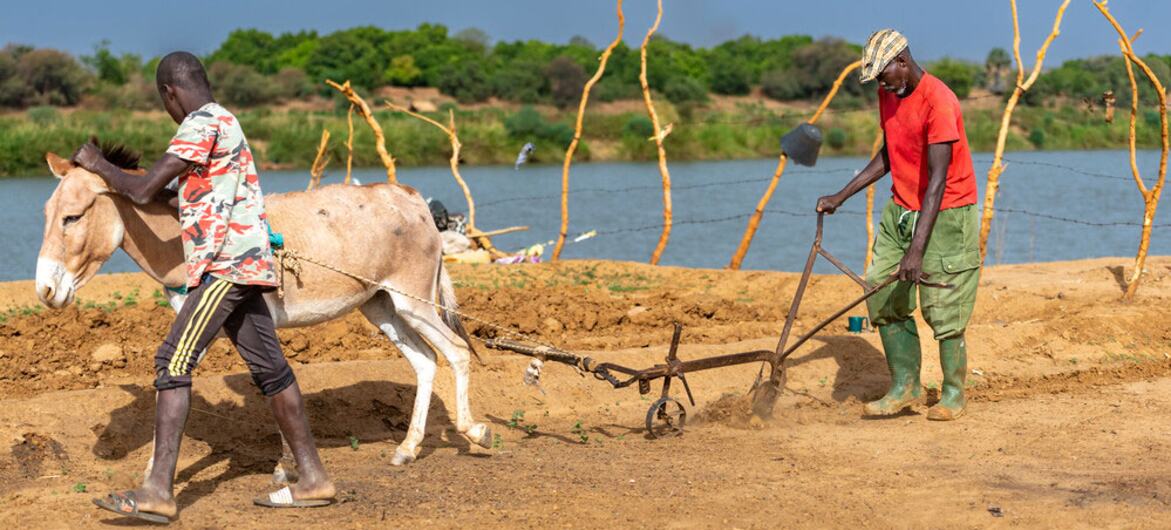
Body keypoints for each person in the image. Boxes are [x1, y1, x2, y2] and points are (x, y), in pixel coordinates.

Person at [73, 52, 335, 523]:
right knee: (271, 371)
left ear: (169, 93)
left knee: (172, 360)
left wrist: (97, 163)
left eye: (165, 103)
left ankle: (157, 491)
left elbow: (141, 190)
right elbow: (174, 194)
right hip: (243, 263)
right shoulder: (224, 124)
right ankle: (314, 478)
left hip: (225, 267)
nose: (168, 111)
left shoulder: (201, 122)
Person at [816, 29, 980, 421]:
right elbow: (890, 152)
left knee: (944, 304)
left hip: (946, 212)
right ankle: (905, 386)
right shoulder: (889, 92)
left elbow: (938, 181)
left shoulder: (939, 101)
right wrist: (842, 194)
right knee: (880, 287)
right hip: (902, 207)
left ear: (903, 62)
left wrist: (917, 249)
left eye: (884, 74)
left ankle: (954, 393)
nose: (881, 83)